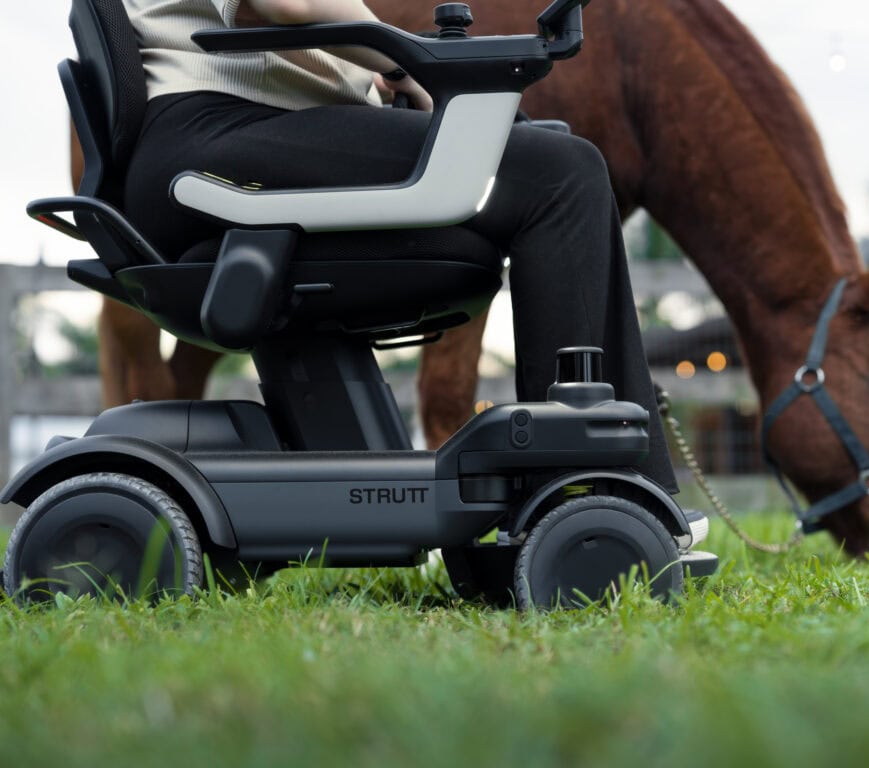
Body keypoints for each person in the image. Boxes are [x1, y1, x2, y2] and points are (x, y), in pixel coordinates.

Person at [122, 0, 678, 492]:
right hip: (217, 137)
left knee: (545, 155)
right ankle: (590, 485)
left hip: (235, 134)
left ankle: (596, 481)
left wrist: (395, 71)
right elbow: (290, 4)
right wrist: (406, 62)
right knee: (562, 173)